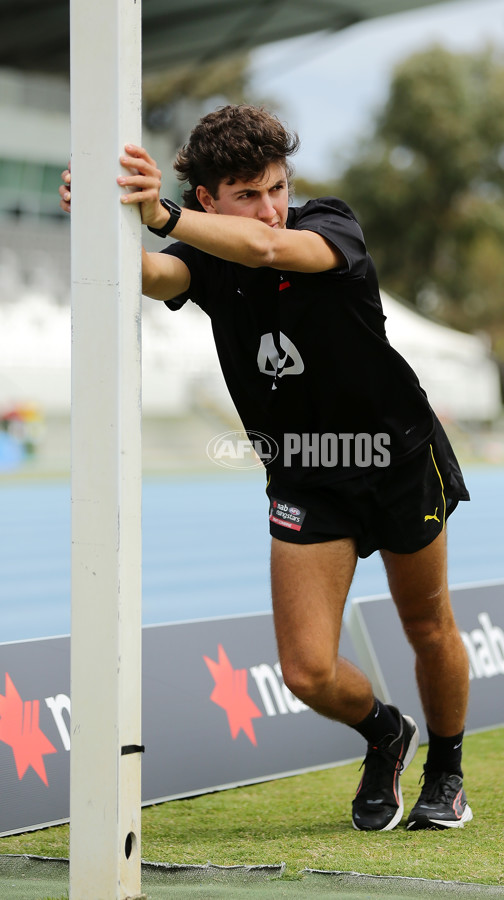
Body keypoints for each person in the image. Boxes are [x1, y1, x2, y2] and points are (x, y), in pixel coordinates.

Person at [60, 104, 473, 832]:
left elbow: (271, 251)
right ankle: (386, 733)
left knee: (427, 623)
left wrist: (162, 215)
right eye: (248, 195)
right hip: (306, 475)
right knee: (307, 672)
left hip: (397, 459)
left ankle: (447, 771)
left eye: (277, 187)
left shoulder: (327, 226)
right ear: (209, 200)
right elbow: (152, 276)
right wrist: (100, 220)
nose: (271, 209)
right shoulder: (205, 255)